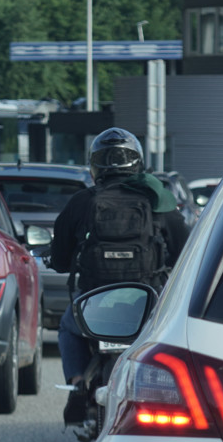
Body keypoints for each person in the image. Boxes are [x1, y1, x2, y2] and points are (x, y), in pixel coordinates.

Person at [47, 127, 190, 424]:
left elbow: (60, 257)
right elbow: (185, 253)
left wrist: (60, 261)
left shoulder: (82, 201)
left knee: (68, 329)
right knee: (168, 338)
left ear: (95, 166)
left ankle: (77, 383)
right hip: (146, 303)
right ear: (138, 162)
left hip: (94, 303)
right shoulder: (158, 200)